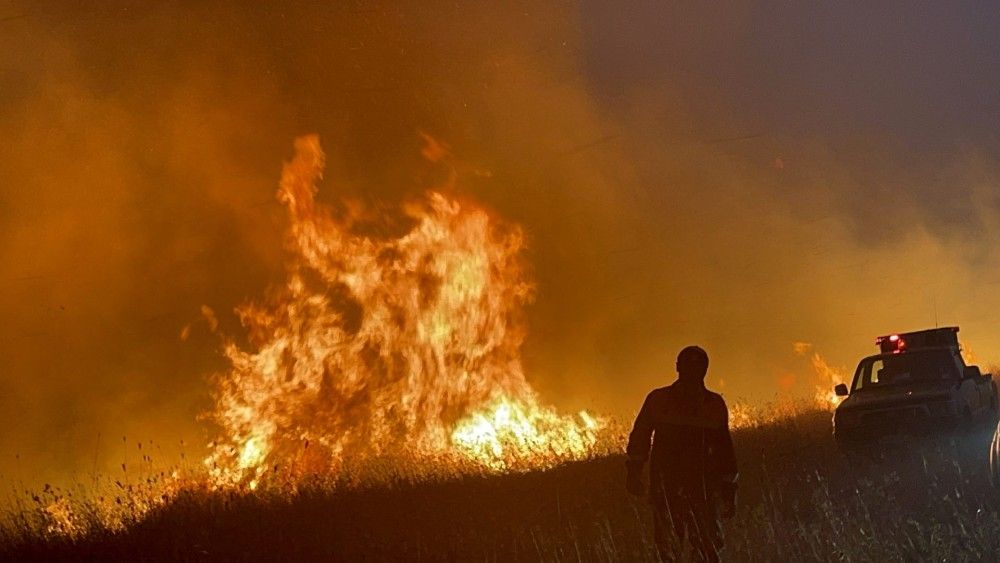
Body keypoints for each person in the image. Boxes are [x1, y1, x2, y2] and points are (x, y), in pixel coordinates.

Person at [626, 346, 738, 562]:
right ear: (677, 367)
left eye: (696, 367)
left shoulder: (713, 405)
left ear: (705, 370)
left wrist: (729, 488)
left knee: (707, 549)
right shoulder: (659, 400)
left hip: (702, 489)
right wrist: (634, 470)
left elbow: (725, 449)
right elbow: (640, 437)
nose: (691, 372)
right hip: (667, 488)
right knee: (668, 549)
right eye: (687, 366)